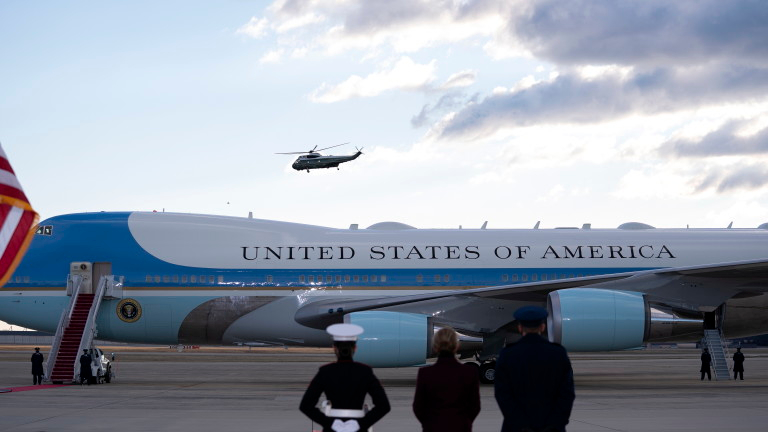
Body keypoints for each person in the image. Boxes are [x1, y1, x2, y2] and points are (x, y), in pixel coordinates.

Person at [495, 306, 575, 432]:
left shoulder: (508, 354)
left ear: (520, 327)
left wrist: (521, 425)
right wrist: (554, 424)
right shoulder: (558, 353)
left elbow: (503, 394)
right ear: (542, 327)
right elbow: (567, 394)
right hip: (551, 427)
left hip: (516, 427)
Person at [300, 323, 390, 432]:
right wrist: (360, 424)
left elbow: (306, 406)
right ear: (355, 348)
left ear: (334, 348)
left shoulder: (325, 371)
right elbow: (383, 406)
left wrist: (330, 423)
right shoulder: (365, 371)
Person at [413, 327, 481, 432]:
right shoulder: (469, 372)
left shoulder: (425, 373)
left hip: (433, 427)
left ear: (435, 347)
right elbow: (475, 406)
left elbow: (418, 407)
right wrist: (464, 422)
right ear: (457, 345)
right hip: (461, 426)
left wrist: (429, 423)